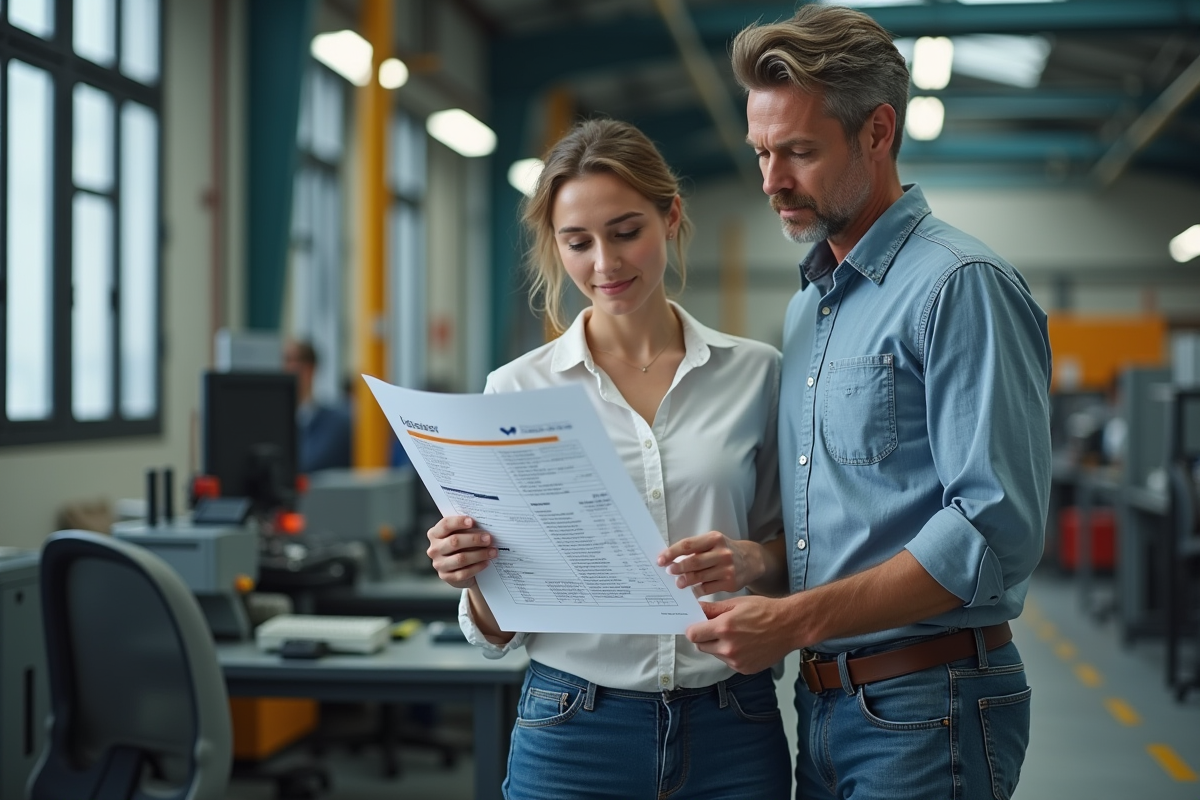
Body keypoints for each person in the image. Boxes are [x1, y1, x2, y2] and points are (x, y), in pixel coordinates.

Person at [658, 6, 1053, 799]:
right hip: (827, 704)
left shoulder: (957, 287)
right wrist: (764, 564)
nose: (771, 181)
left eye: (798, 152)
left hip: (927, 704)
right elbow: (847, 514)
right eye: (762, 152)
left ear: (878, 133)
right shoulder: (811, 306)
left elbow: (990, 533)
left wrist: (797, 619)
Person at [425, 118, 791, 800]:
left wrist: (752, 560)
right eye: (578, 242)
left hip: (731, 723)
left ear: (670, 216)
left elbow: (792, 552)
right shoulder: (516, 390)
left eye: (626, 232)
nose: (605, 263)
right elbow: (500, 628)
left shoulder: (756, 375)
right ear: (554, 246)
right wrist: (469, 573)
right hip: (571, 729)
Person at [282, 339, 352, 474]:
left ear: (309, 369)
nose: (284, 368)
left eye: (289, 360)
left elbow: (305, 465)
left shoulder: (337, 424)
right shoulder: (274, 421)